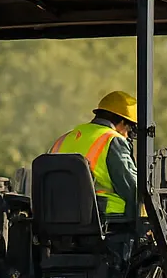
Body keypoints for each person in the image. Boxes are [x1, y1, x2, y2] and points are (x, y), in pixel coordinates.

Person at [48, 90, 138, 218]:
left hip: (58, 217)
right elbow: (132, 189)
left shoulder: (64, 139)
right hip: (104, 219)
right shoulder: (112, 140)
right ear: (123, 122)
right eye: (130, 131)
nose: (128, 137)